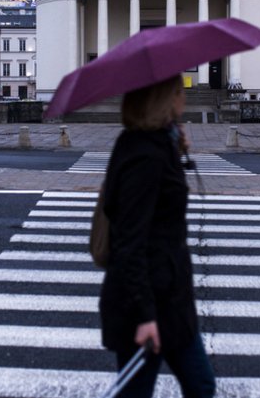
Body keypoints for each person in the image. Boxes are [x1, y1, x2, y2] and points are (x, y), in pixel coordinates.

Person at [98, 74, 215, 398]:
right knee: (145, 391)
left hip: (170, 299)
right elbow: (130, 241)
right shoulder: (143, 155)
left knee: (200, 385)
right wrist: (145, 315)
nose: (185, 99)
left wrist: (176, 149)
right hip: (147, 305)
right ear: (162, 99)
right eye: (179, 92)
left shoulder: (154, 144)